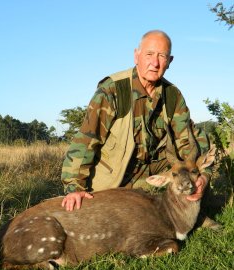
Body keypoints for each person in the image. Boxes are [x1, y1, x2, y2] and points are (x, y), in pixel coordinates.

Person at [60, 30, 217, 227]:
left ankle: (192, 214)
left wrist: (203, 176)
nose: (155, 63)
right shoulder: (112, 90)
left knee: (188, 167)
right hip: (114, 175)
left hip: (149, 169)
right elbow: (86, 140)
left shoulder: (172, 95)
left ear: (170, 61)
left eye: (162, 56)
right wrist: (74, 187)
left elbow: (190, 139)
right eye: (149, 54)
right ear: (137, 55)